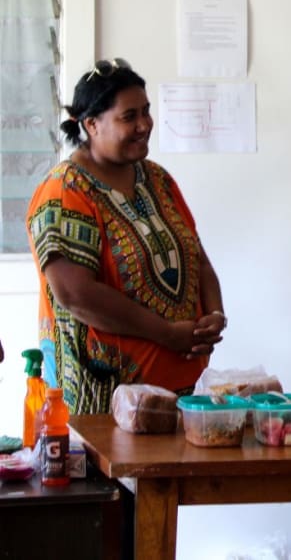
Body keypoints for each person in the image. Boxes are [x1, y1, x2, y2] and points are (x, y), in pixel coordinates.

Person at [25, 58, 225, 414]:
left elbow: (197, 257)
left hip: (179, 396)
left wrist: (214, 314)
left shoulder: (157, 180)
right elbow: (76, 294)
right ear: (91, 124)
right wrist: (166, 333)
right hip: (103, 404)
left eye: (146, 112)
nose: (144, 125)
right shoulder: (65, 190)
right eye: (129, 117)